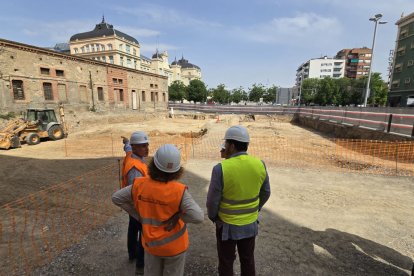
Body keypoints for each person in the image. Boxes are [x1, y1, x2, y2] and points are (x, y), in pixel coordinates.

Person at [112, 144, 204, 276]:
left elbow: (116, 198)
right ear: (177, 170)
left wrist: (138, 215)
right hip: (175, 248)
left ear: (154, 164)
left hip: (152, 246)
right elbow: (198, 217)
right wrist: (179, 216)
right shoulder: (179, 191)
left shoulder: (140, 184)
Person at [207, 125, 271, 276]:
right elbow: (266, 192)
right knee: (248, 260)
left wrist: (214, 217)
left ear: (232, 145)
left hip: (226, 226)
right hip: (250, 224)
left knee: (226, 261)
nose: (225, 146)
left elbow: (212, 201)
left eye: (227, 143)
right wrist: (255, 208)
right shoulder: (260, 164)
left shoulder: (221, 168)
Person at [120, 131, 149, 273]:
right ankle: (140, 265)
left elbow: (127, 148)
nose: (147, 148)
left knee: (132, 229)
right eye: (143, 146)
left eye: (147, 145)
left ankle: (132, 254)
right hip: (137, 205)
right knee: (144, 233)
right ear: (136, 147)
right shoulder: (135, 168)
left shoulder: (131, 154)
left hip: (133, 205)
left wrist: (125, 142)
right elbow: (135, 191)